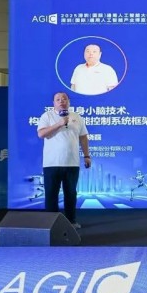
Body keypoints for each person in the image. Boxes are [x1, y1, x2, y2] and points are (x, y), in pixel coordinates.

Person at [37, 92, 91, 229]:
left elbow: (83, 137)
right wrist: (59, 124)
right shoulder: (47, 116)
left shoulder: (76, 117)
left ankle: (71, 222)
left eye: (64, 99)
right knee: (51, 195)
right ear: (53, 103)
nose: (61, 101)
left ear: (69, 102)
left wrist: (87, 156)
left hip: (72, 163)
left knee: (71, 194)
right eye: (58, 99)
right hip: (52, 163)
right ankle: (51, 224)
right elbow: (41, 134)